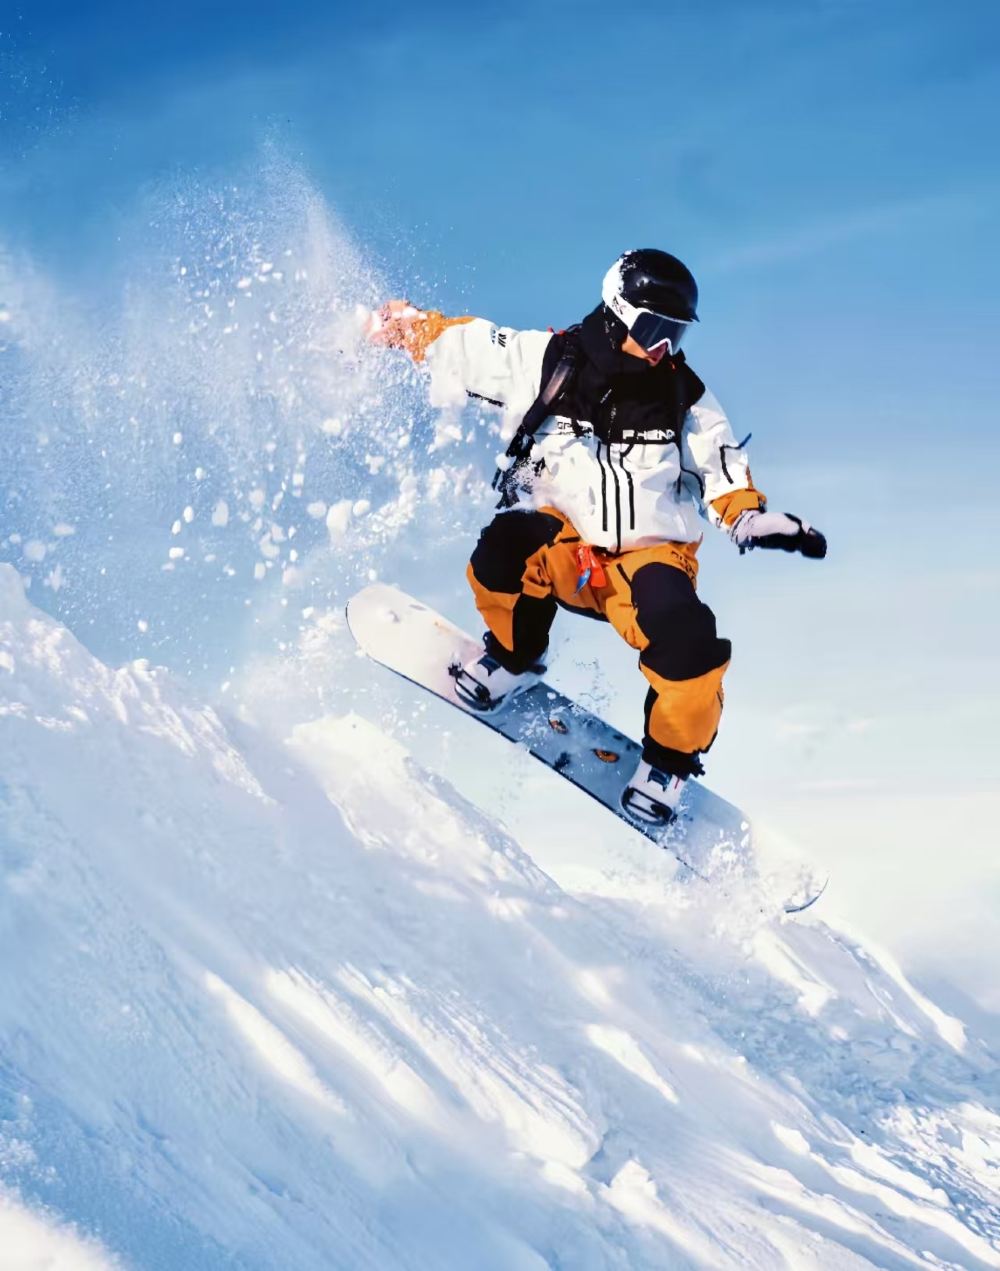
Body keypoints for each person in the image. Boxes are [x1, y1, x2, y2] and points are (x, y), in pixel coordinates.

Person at [365, 249, 826, 827]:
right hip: (567, 548)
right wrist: (408, 328)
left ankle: (668, 762)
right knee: (503, 549)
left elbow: (722, 471)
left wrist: (748, 518)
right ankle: (513, 656)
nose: (663, 347)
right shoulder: (549, 361)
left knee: (688, 641)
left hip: (647, 557)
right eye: (654, 329)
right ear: (618, 311)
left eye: (677, 334)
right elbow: (469, 347)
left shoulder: (686, 397)